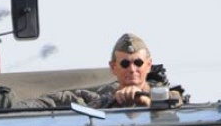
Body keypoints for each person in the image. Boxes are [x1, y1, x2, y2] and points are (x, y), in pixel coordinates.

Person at [29, 33, 184, 110]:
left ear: (149, 65)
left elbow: (178, 104)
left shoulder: (167, 95)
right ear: (113, 67)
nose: (132, 69)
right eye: (125, 63)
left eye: (138, 63)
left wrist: (146, 103)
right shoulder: (99, 98)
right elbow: (54, 101)